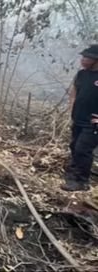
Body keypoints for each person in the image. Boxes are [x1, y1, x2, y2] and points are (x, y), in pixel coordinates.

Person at [62, 44, 98, 192]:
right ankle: (72, 174)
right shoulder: (82, 74)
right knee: (74, 146)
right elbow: (74, 91)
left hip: (92, 123)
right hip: (78, 119)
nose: (82, 60)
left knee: (83, 149)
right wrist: (71, 109)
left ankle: (81, 181)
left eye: (86, 58)